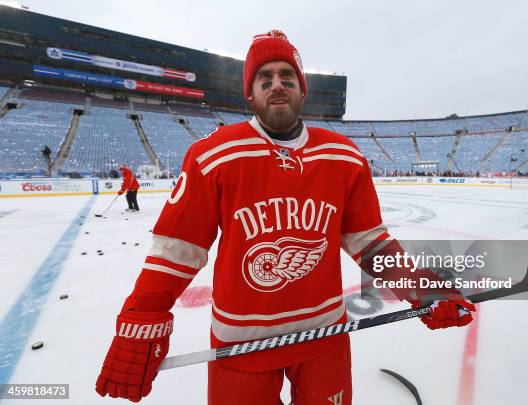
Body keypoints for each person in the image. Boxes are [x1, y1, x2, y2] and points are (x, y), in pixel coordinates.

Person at [95, 30, 474, 404]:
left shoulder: (343, 156)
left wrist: (418, 285)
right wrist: (144, 314)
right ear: (250, 92)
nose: (277, 85)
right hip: (240, 343)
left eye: (286, 77)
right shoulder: (213, 155)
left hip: (324, 336)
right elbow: (179, 248)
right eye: (265, 78)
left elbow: (369, 243)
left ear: (301, 89)